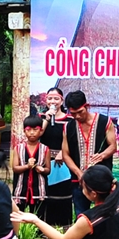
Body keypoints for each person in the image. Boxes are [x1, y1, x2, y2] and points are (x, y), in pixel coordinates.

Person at [60, 90, 118, 218]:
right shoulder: (68, 127)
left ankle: (105, 238)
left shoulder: (105, 122)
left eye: (80, 112)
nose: (77, 117)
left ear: (87, 106)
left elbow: (113, 146)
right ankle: (83, 238)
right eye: (73, 114)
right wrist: (78, 172)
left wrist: (102, 155)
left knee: (106, 213)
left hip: (101, 178)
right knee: (81, 214)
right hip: (78, 180)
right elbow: (65, 155)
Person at [38, 86, 74, 225]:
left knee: (63, 196)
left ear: (62, 100)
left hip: (63, 163)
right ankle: (44, 233)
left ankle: (65, 231)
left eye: (56, 98)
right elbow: (38, 134)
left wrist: (63, 153)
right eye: (50, 98)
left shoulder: (69, 120)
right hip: (44, 163)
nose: (53, 101)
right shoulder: (41, 118)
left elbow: (73, 140)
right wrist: (47, 118)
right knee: (45, 196)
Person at [10, 115, 51, 213]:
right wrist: (27, 166)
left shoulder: (45, 149)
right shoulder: (18, 148)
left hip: (39, 189)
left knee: (38, 215)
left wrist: (42, 169)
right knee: (18, 215)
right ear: (24, 131)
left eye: (35, 129)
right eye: (28, 130)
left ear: (41, 131)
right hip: (21, 188)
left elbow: (48, 170)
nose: (32, 132)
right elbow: (15, 168)